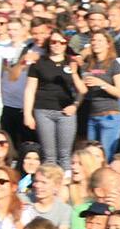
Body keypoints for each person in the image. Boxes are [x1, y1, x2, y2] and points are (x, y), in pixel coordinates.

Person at [23, 30, 82, 168]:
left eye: (62, 42)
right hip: (43, 110)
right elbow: (30, 89)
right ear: (49, 43)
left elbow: (81, 89)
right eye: (54, 42)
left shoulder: (72, 63)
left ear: (66, 44)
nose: (57, 45)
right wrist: (27, 114)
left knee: (65, 154)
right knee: (49, 155)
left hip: (66, 111)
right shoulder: (39, 63)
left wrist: (75, 105)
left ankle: (65, 186)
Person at [80, 31, 120, 161]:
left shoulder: (114, 64)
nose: (95, 43)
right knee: (90, 156)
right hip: (92, 115)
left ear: (108, 44)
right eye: (93, 40)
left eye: (100, 40)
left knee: (106, 156)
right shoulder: (89, 64)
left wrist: (102, 84)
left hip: (110, 115)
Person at [22, 163, 71, 229]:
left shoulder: (64, 210)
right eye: (36, 181)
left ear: (56, 186)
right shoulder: (22, 199)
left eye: (43, 182)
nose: (37, 185)